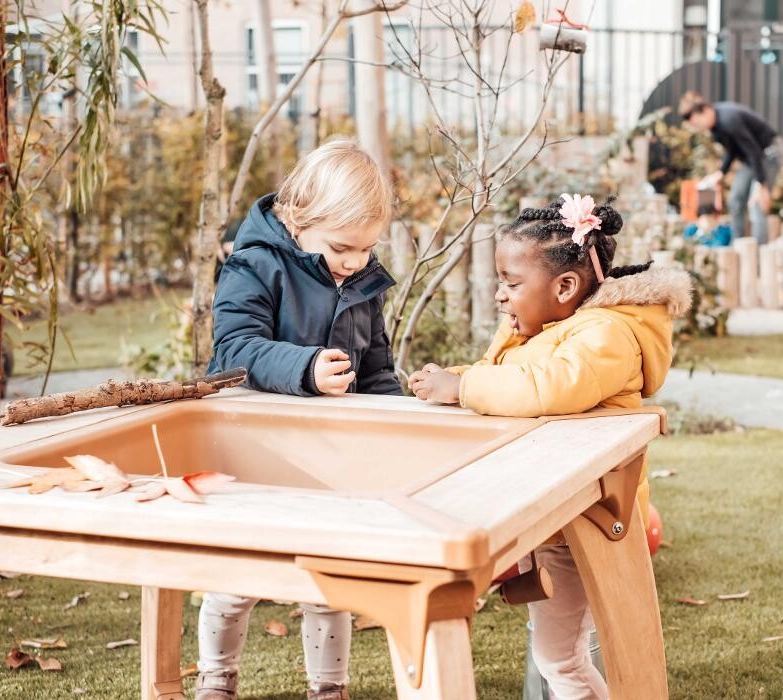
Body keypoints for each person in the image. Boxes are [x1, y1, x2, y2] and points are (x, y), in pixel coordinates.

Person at [408, 194, 692, 700]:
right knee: (556, 654)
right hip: (553, 518)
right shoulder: (549, 329)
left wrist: (465, 388)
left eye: (512, 284)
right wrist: (452, 380)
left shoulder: (606, 335)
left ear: (565, 287)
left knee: (561, 657)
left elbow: (548, 388)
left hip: (590, 520)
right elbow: (508, 380)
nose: (500, 296)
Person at [198, 139, 401, 700]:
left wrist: (400, 419)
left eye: (366, 249)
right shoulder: (255, 263)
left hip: (331, 456)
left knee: (328, 579)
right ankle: (217, 681)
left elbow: (376, 365)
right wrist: (305, 367)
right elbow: (233, 351)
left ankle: (329, 688)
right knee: (238, 576)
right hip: (258, 448)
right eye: (342, 247)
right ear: (296, 219)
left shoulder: (362, 280)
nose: (356, 262)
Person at [680, 91, 783, 245]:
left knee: (756, 204)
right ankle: (739, 247)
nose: (698, 128)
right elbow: (733, 150)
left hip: (770, 152)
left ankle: (757, 254)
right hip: (752, 159)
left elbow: (753, 150)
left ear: (705, 111)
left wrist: (761, 184)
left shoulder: (728, 119)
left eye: (697, 123)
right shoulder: (716, 128)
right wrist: (721, 172)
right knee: (735, 200)